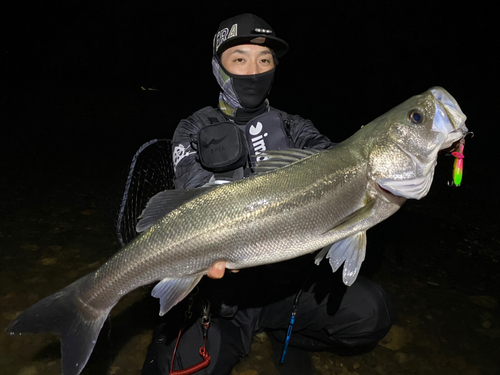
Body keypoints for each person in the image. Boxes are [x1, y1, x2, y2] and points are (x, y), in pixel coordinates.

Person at [141, 13, 395, 375]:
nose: (254, 69)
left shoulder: (295, 126)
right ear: (219, 67)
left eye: (264, 60)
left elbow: (341, 163)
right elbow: (192, 191)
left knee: (372, 312)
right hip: (222, 299)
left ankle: (283, 329)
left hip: (288, 289)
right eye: (239, 59)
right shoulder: (195, 126)